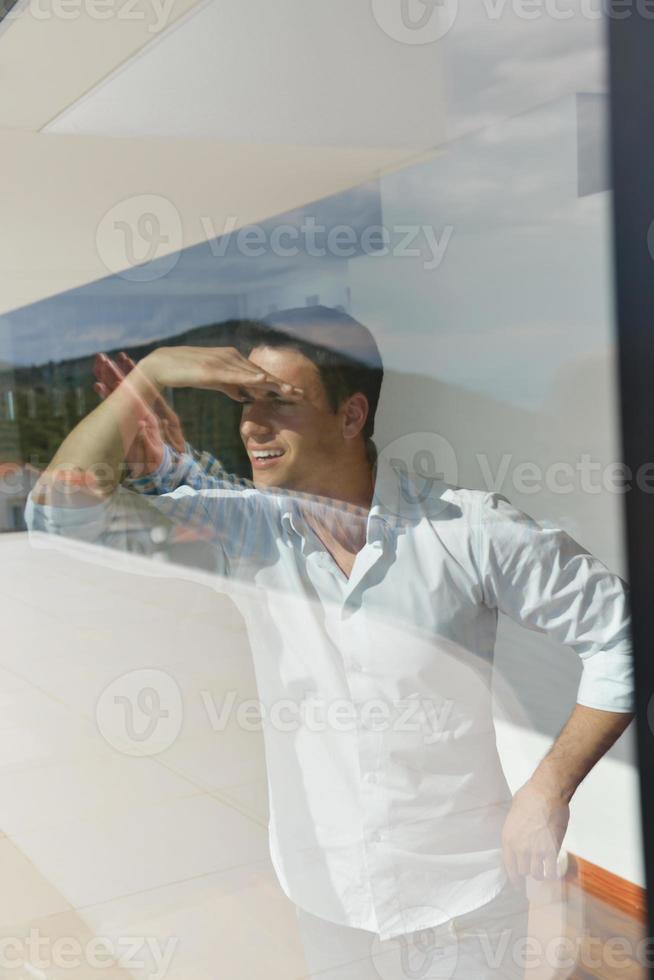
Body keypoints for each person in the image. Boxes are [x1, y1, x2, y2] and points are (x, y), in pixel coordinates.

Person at [26, 306, 634, 979]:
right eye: (245, 403)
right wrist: (152, 374)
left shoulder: (469, 531)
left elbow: (622, 636)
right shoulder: (249, 532)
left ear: (350, 417)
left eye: (278, 403)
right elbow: (56, 514)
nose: (252, 425)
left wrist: (548, 790)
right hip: (327, 906)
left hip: (467, 907)